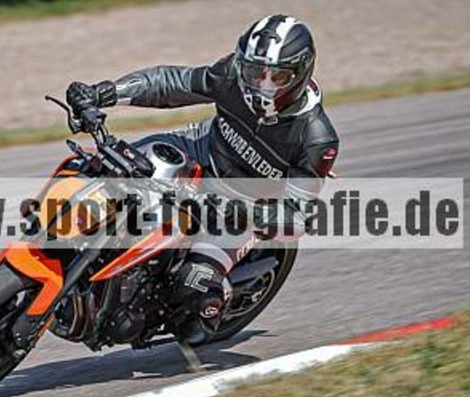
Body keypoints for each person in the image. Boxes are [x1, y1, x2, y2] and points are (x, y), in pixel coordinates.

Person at [65, 14, 339, 345]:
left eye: (277, 77)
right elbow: (171, 83)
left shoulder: (316, 138)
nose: (261, 86)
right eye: (254, 72)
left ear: (300, 74)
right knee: (104, 171)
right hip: (199, 151)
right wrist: (105, 92)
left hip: (242, 206)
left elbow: (297, 218)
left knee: (193, 292)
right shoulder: (232, 74)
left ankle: (207, 304)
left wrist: (245, 212)